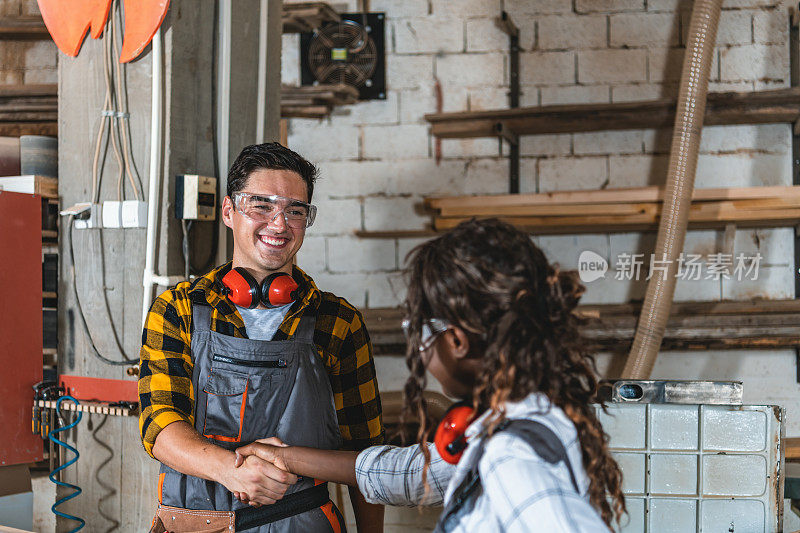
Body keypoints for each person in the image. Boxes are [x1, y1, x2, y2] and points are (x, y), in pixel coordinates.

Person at [234, 218, 626, 532]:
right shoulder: (509, 424)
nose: (419, 348)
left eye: (418, 330)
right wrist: (283, 456)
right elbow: (403, 474)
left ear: (455, 341)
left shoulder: (511, 457)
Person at [139, 142, 385, 532]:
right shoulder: (178, 310)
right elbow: (160, 425)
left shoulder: (337, 322)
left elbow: (366, 452)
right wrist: (231, 471)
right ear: (228, 211)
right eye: (261, 205)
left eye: (295, 210)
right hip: (195, 524)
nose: (279, 223)